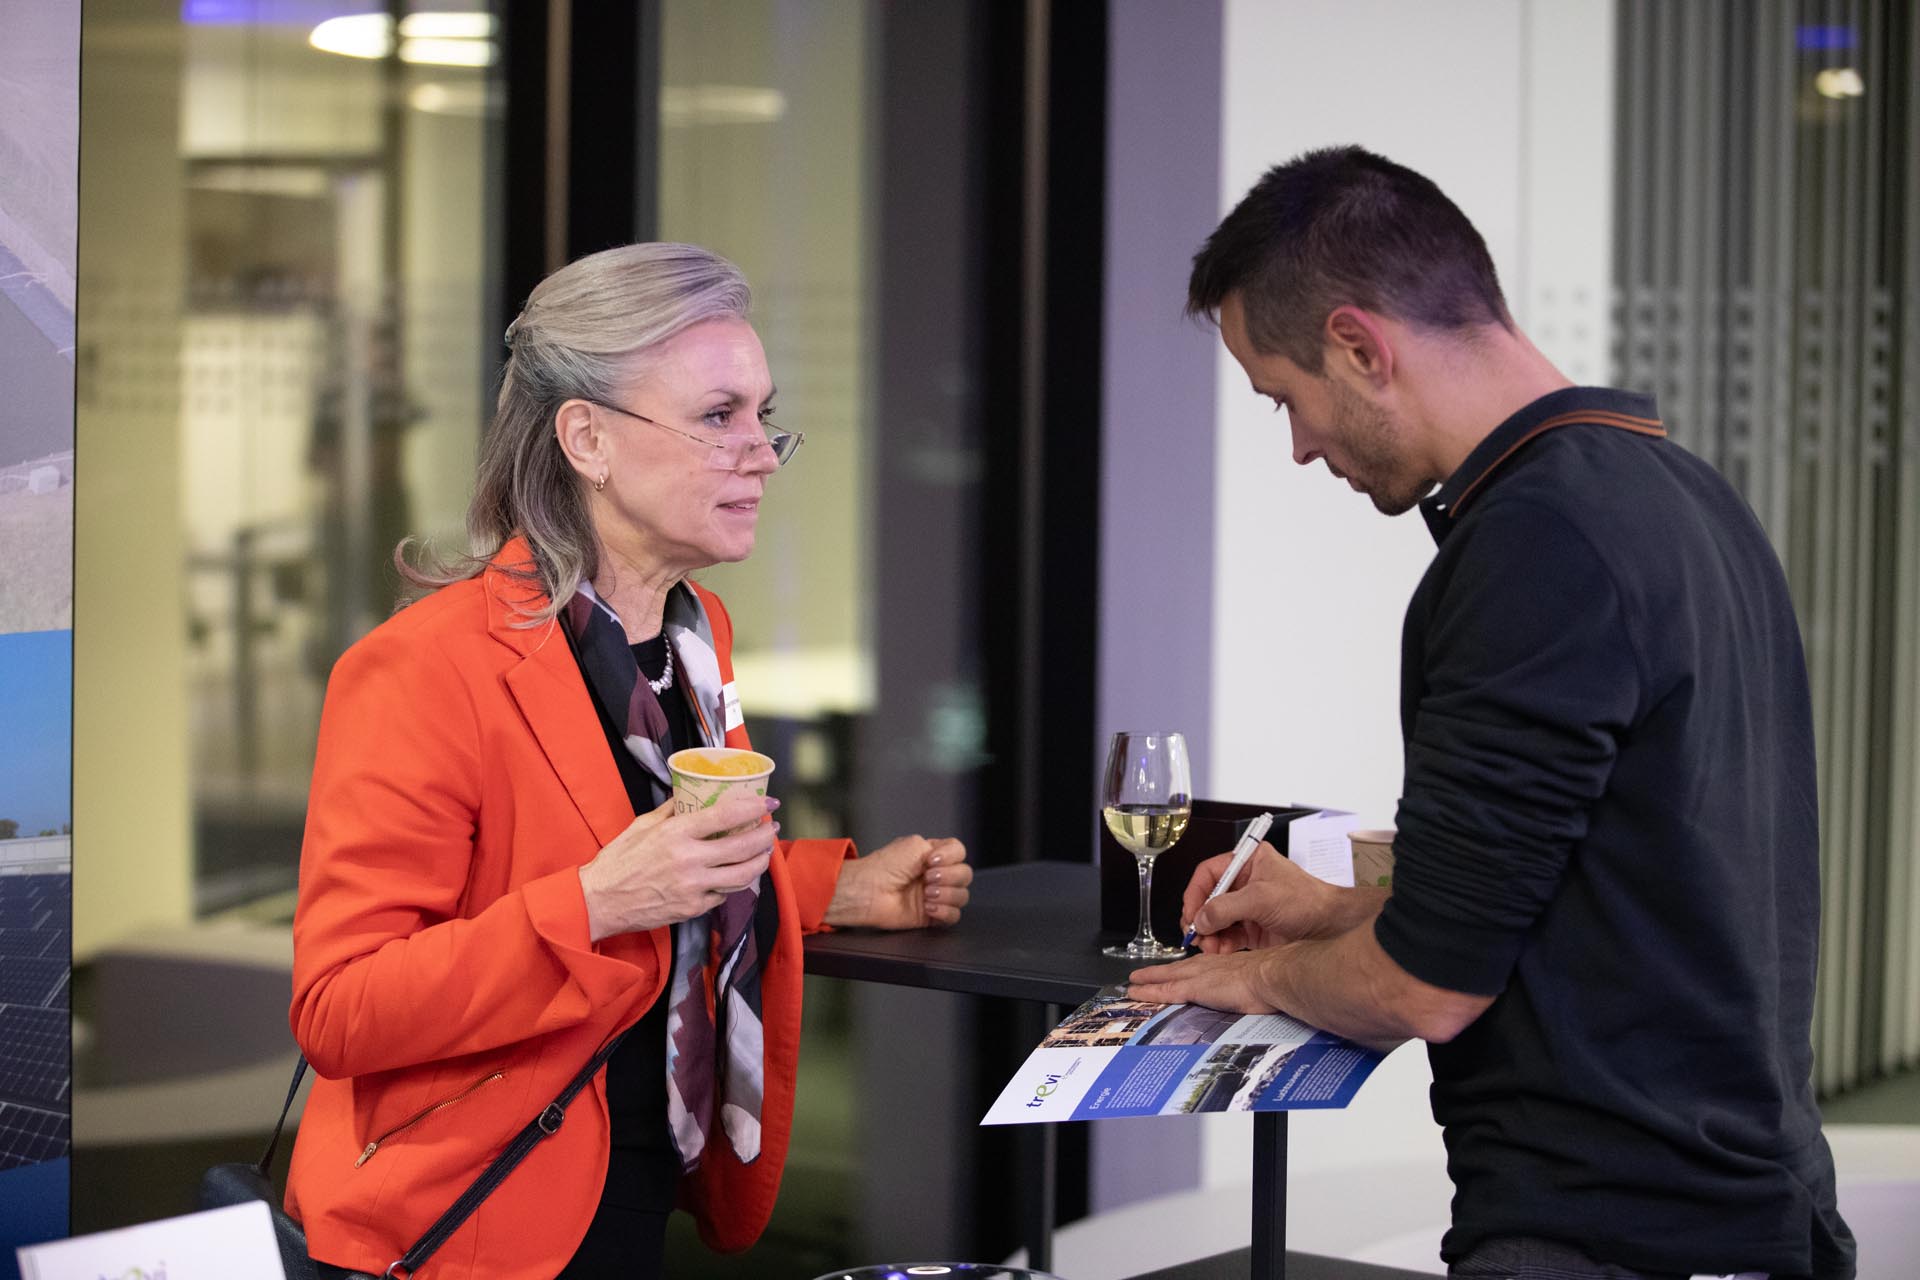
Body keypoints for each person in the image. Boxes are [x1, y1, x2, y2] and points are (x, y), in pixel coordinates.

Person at [1127, 146, 1855, 1280]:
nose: (1300, 444)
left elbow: (1430, 985)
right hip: (1743, 1204)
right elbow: (1597, 876)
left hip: (1614, 1233)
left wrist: (1257, 978)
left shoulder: (1536, 543)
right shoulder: (1679, 492)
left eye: (1287, 397)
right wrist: (1327, 911)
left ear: (1359, 346)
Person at [284, 242, 974, 1280]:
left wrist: (831, 884)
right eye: (717, 416)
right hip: (466, 1220)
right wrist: (594, 903)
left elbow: (657, 858)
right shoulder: (423, 668)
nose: (762, 451)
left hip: (632, 1177)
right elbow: (341, 1006)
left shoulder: (695, 637)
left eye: (762, 412)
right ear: (587, 437)